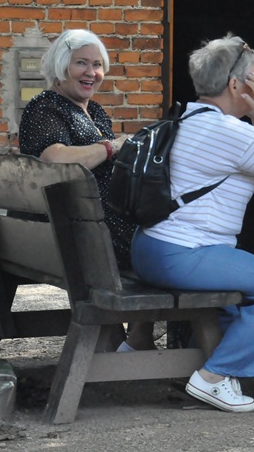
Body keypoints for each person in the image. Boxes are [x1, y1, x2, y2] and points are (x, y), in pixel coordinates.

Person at [130, 34, 254, 413]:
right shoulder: (231, 133)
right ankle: (212, 378)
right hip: (184, 255)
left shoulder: (184, 117)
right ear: (235, 84)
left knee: (239, 297)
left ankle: (220, 369)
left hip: (148, 249)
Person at [18, 28, 154, 352]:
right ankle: (147, 335)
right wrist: (111, 147)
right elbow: (55, 160)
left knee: (158, 230)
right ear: (61, 66)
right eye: (81, 63)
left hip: (86, 227)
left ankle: (138, 335)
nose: (91, 72)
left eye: (97, 65)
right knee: (162, 244)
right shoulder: (46, 107)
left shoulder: (94, 112)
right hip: (74, 234)